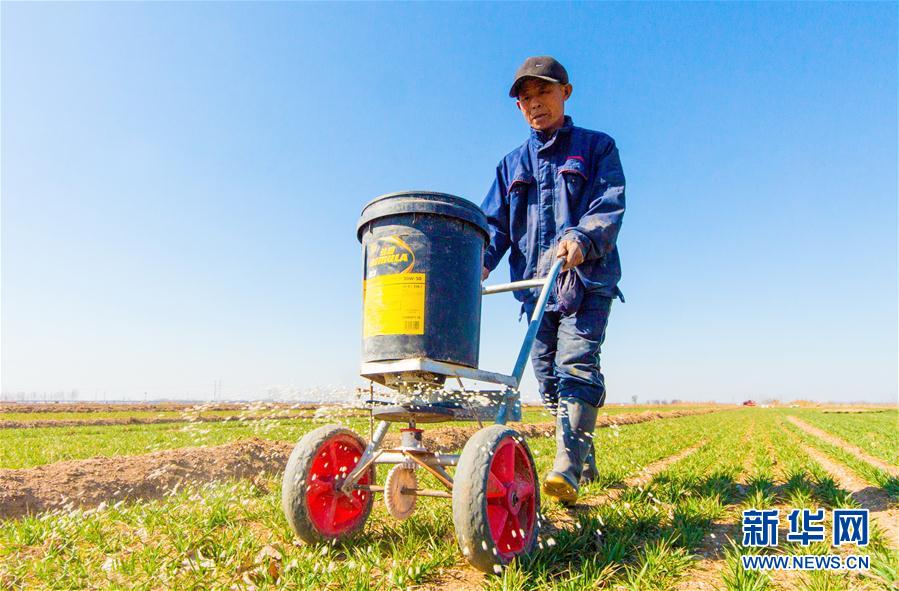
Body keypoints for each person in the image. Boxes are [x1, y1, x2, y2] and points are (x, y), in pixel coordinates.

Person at [480, 56, 626, 504]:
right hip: (533, 290)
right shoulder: (510, 165)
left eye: (543, 92)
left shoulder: (596, 147)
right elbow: (494, 227)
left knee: (576, 363)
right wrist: (478, 265)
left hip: (585, 279)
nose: (534, 104)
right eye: (525, 98)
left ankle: (567, 467)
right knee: (546, 378)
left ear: (566, 91)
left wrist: (583, 236)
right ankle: (583, 449)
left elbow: (608, 202)